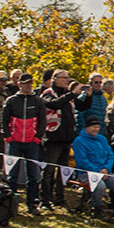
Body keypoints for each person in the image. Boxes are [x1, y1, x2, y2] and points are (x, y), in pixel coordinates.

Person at [1, 72, 45, 217]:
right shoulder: (11, 100)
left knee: (33, 175)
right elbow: (4, 119)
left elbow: (42, 121)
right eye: (25, 83)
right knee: (12, 174)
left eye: (30, 83)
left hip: (32, 142)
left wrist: (37, 137)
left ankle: (31, 204)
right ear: (19, 84)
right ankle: (10, 204)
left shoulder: (38, 101)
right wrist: (8, 136)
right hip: (15, 141)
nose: (28, 86)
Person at [40, 70, 81, 210]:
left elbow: (82, 107)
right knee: (49, 170)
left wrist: (87, 96)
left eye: (68, 78)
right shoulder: (48, 93)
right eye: (64, 78)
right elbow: (54, 104)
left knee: (63, 171)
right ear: (55, 79)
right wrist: (71, 94)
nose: (67, 80)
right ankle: (45, 200)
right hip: (53, 138)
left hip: (66, 138)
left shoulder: (67, 96)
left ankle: (59, 198)